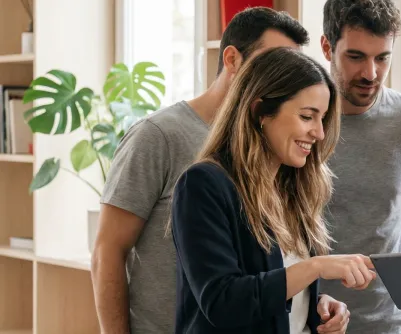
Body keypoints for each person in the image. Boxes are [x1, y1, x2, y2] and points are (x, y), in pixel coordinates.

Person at [91, 7, 310, 333]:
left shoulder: (274, 146)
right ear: (232, 60)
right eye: (272, 65)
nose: (286, 82)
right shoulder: (159, 136)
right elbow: (108, 251)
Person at [171, 47, 372, 334]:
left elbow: (275, 294)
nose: (319, 133)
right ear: (260, 112)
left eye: (322, 118)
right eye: (307, 116)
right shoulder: (202, 185)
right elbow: (222, 302)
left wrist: (316, 306)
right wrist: (314, 268)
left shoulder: (293, 190)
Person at [318, 0, 401, 332]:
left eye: (382, 58)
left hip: (389, 322)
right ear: (327, 47)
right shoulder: (303, 120)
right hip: (311, 318)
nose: (370, 74)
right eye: (356, 56)